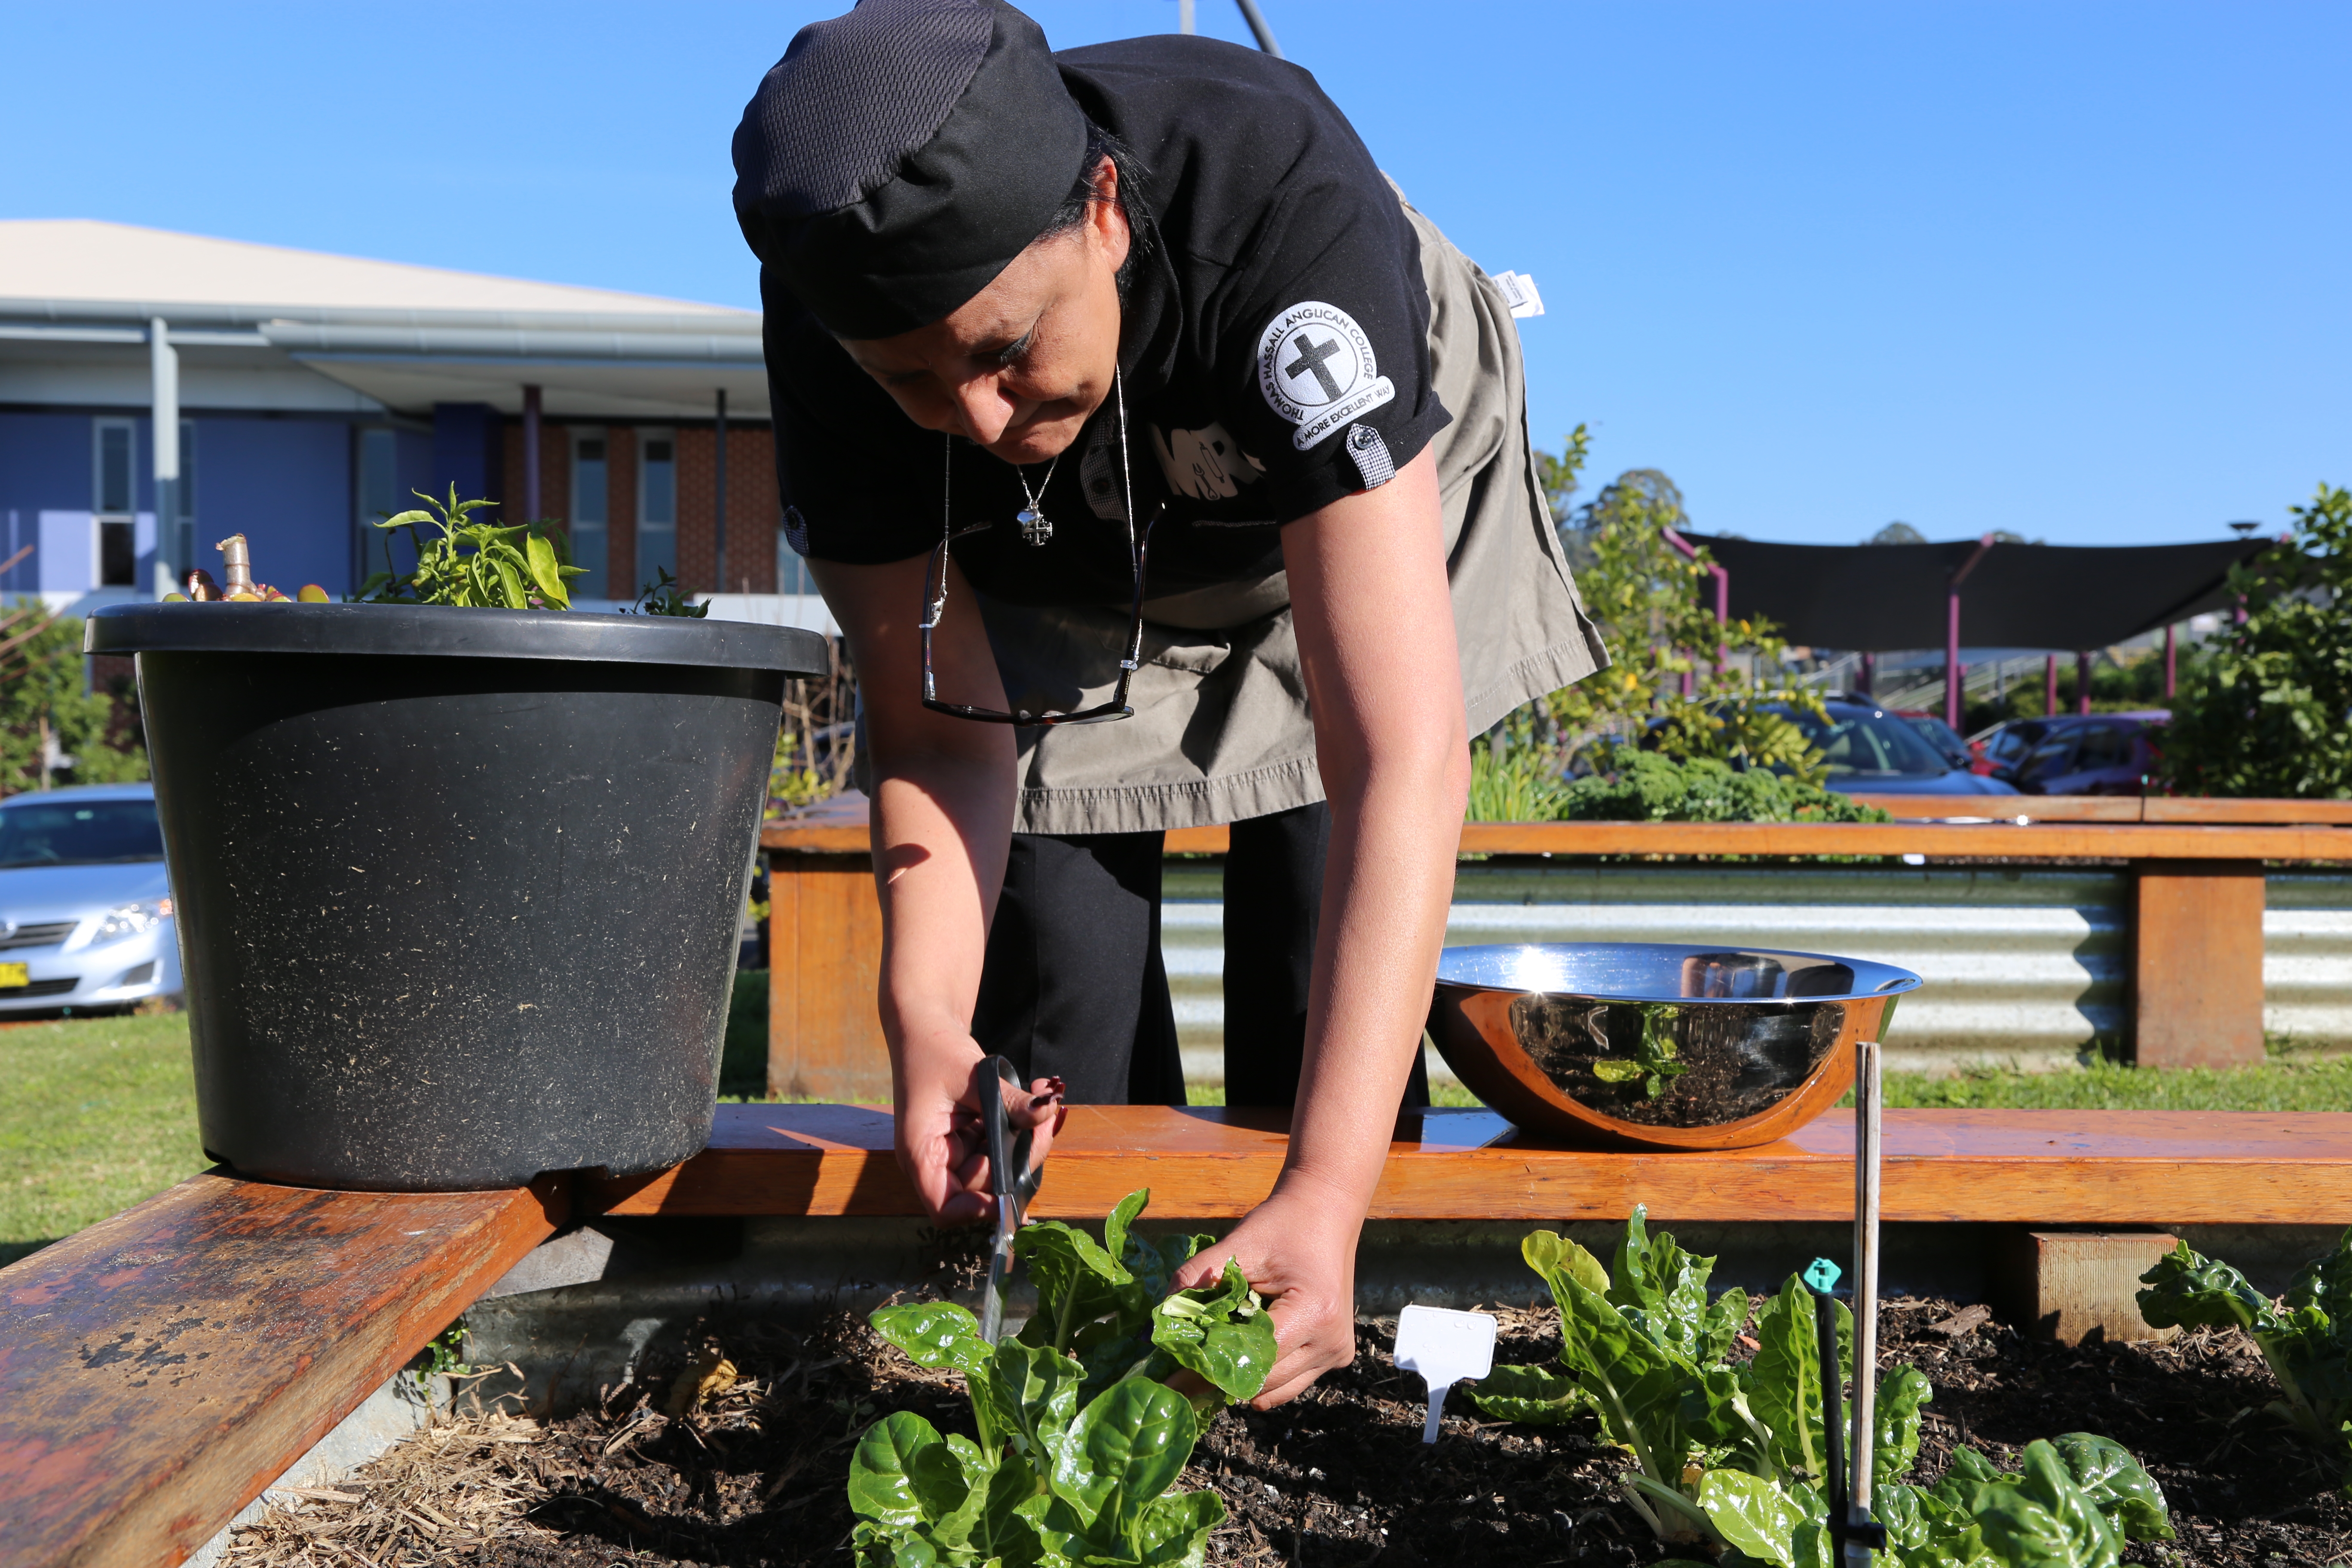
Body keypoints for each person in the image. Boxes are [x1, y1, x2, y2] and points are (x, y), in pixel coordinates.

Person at [732, 0, 1605, 1407]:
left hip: (1352, 488)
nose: (978, 420)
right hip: (1079, 561)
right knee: (1053, 998)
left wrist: (1324, 1187)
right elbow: (939, 731)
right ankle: (1105, 1382)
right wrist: (924, 1017)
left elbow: (1399, 759)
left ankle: (1329, 1315)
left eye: (1007, 346)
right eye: (914, 380)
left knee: (1319, 941)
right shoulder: (840, 325)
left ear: (1106, 214)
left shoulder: (1280, 212)